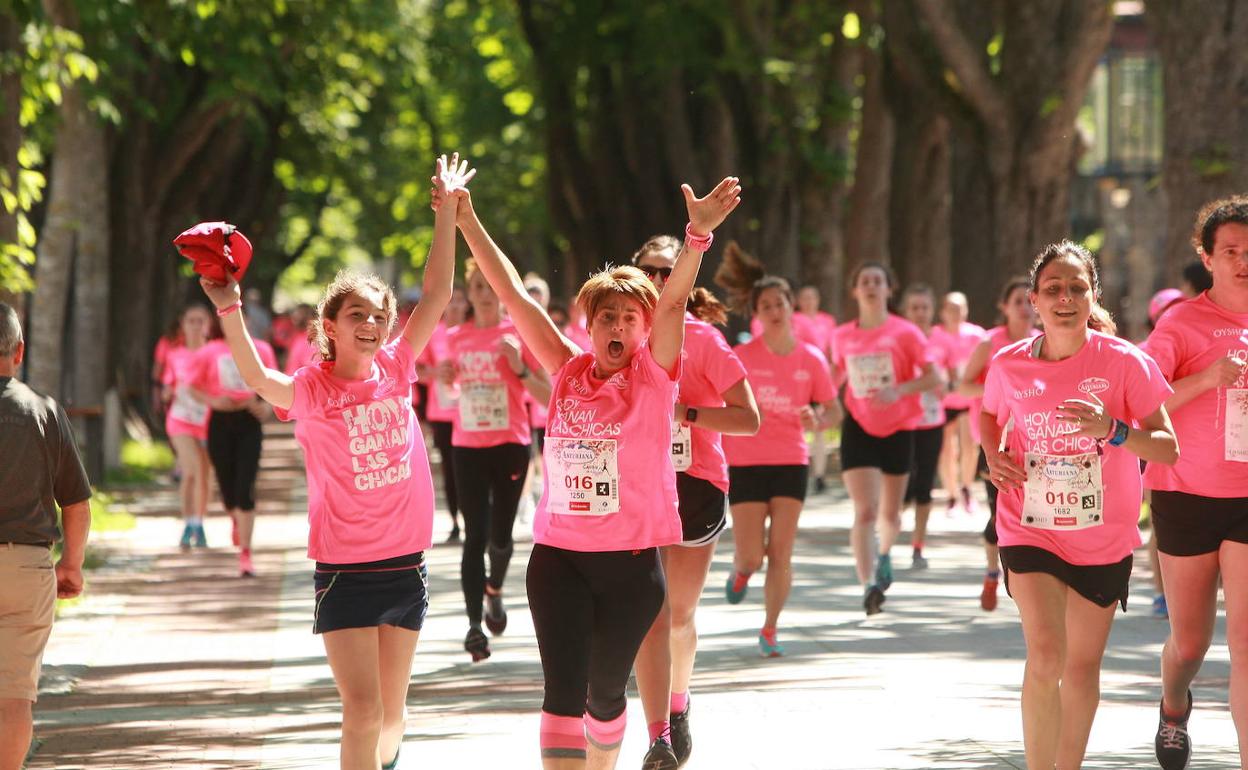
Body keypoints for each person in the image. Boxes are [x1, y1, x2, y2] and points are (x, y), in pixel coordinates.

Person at [435, 171, 741, 769]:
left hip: (629, 568)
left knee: (605, 698)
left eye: (630, 318)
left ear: (645, 329)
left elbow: (674, 300)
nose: (619, 326)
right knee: (561, 696)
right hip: (559, 560)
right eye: (607, 317)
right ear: (591, 326)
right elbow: (516, 298)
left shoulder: (655, 379)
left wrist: (697, 237)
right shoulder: (567, 371)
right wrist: (467, 217)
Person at [198, 153, 471, 770]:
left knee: (395, 716)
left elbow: (437, 293)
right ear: (330, 325)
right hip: (345, 569)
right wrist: (229, 307)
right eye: (357, 316)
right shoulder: (314, 388)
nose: (371, 324)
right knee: (364, 710)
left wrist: (448, 216)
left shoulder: (399, 368)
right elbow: (257, 379)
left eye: (379, 316)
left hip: (405, 561)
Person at [981, 240, 1177, 770]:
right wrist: (991, 455)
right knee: (1046, 655)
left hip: (1101, 536)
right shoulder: (1008, 364)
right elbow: (988, 413)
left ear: (1092, 297)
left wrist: (1113, 430)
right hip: (1030, 526)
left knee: (1083, 667)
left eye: (1076, 287)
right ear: (1034, 300)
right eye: (1053, 288)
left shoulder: (1125, 363)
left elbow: (1167, 446)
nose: (1064, 297)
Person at [631, 234, 760, 766]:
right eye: (651, 272)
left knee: (677, 614)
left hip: (695, 483)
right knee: (648, 616)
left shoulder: (704, 340)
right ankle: (658, 733)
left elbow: (748, 419)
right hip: (633, 486)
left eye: (669, 270)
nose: (661, 280)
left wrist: (685, 414)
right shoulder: (620, 336)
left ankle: (678, 706)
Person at [1143, 196, 1248, 770]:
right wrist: (1208, 377)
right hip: (1186, 492)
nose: (1242, 261)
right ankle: (1175, 701)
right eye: (1229, 251)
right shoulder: (1182, 322)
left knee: (1246, 649)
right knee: (1190, 644)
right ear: (1207, 258)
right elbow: (1141, 403)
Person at [715, 243, 840, 646]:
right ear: (757, 313)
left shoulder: (812, 359)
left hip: (791, 460)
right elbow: (723, 402)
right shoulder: (741, 356)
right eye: (765, 305)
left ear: (791, 307)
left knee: (782, 553)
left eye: (780, 302)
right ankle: (742, 570)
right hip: (746, 460)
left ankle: (770, 628)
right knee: (753, 554)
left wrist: (817, 419)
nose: (773, 310)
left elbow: (834, 412)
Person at [443, 259, 551, 662]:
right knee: (475, 537)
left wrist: (520, 367)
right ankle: (474, 627)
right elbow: (452, 388)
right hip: (467, 445)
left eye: (490, 287)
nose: (484, 295)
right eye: (476, 287)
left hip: (511, 442)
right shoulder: (455, 337)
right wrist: (445, 377)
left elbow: (547, 395)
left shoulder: (519, 333)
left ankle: (495, 589)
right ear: (468, 294)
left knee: (500, 537)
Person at [0, 302, 92, 770]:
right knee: (15, 693)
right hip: (25, 567)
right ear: (19, 351)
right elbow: (75, 503)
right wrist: (71, 565)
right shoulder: (44, 411)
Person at [831, 261, 937, 615]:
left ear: (889, 289)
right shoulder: (842, 335)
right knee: (865, 511)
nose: (872, 286)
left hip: (899, 428)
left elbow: (934, 378)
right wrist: (819, 402)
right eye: (865, 281)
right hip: (858, 426)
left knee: (890, 515)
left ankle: (887, 552)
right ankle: (867, 585)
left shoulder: (906, 332)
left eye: (878, 281)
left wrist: (899, 390)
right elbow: (836, 375)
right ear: (855, 291)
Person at [958, 278, 1038, 611]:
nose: (1024, 308)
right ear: (1004, 308)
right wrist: (1000, 393)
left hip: (1035, 444)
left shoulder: (1044, 343)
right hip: (994, 443)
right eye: (1016, 301)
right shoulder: (991, 344)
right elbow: (963, 387)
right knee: (998, 514)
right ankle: (993, 572)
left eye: (1027, 301)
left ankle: (1030, 582)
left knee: (1031, 514)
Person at [191, 320, 278, 576]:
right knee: (227, 487)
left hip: (249, 421)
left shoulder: (261, 349)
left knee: (245, 486)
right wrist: (214, 401)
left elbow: (275, 383)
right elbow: (191, 387)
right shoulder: (209, 352)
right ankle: (235, 518)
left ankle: (246, 554)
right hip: (219, 422)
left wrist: (267, 406)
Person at [900, 284, 954, 569]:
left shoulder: (941, 341)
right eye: (914, 308)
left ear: (932, 311)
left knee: (924, 486)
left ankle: (917, 545)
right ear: (905, 311)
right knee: (901, 486)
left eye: (924, 308)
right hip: (901, 422)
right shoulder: (896, 338)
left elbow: (949, 384)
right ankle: (886, 536)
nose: (920, 313)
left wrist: (942, 383)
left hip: (932, 420)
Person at [415, 285, 468, 543]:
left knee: (470, 466)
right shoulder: (434, 334)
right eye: (452, 300)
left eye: (460, 300)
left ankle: (476, 518)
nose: (456, 305)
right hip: (442, 411)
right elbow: (415, 369)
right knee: (450, 467)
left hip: (472, 412)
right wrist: (437, 373)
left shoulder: (473, 332)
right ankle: (456, 521)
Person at [163, 304, 215, 549]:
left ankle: (200, 522)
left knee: (205, 475)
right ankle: (188, 524)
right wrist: (166, 392)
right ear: (183, 325)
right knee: (190, 470)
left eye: (200, 321)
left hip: (209, 421)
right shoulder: (175, 355)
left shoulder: (215, 353)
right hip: (180, 419)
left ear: (208, 325)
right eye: (190, 321)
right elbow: (169, 384)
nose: (195, 326)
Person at [937, 291, 987, 515]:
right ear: (943, 312)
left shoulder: (977, 335)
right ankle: (951, 495)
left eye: (960, 308)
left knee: (970, 446)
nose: (955, 313)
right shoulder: (936, 335)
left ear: (966, 310)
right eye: (951, 308)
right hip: (944, 400)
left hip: (969, 398)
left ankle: (966, 488)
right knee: (947, 450)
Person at [795, 285, 837, 493]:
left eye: (812, 297)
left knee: (820, 426)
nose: (809, 301)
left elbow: (832, 351)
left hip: (820, 378)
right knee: (799, 425)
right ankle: (800, 468)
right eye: (805, 297)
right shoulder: (794, 321)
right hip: (798, 378)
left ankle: (819, 474)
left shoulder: (827, 321)